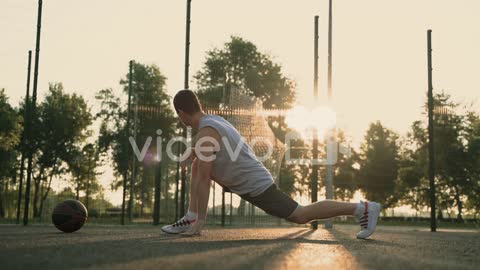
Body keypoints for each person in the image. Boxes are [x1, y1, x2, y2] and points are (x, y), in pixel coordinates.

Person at [161, 90, 381, 239]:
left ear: (180, 113)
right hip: (250, 181)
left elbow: (203, 179)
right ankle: (189, 217)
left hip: (256, 185)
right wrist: (193, 151)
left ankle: (361, 209)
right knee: (198, 164)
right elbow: (218, 148)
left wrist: (201, 222)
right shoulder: (213, 121)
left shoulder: (206, 131)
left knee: (300, 215)